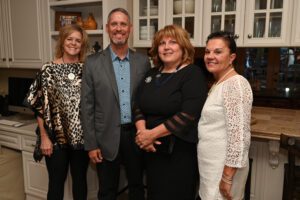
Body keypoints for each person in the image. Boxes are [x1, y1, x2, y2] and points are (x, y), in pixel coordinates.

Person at [80, 8, 151, 200]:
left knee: (137, 186)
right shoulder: (92, 63)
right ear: (106, 28)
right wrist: (91, 144)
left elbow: (147, 101)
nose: (118, 29)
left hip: (136, 135)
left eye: (123, 24)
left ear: (130, 29)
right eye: (114, 24)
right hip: (105, 138)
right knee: (107, 191)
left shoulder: (143, 62)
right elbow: (86, 108)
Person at [134, 24, 208, 200]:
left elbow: (188, 114)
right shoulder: (151, 73)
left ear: (183, 48)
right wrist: (142, 133)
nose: (166, 47)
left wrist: (151, 135)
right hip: (151, 152)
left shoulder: (192, 73)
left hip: (178, 153)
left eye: (173, 42)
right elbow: (137, 105)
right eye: (162, 43)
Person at [26, 24, 90, 200]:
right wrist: (45, 137)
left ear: (82, 45)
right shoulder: (47, 69)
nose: (73, 43)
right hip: (54, 139)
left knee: (80, 183)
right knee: (55, 184)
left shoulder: (87, 69)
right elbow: (39, 106)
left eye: (78, 40)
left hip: (81, 139)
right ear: (62, 41)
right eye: (70, 39)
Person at [197, 31, 253, 200]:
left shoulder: (235, 84)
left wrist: (227, 177)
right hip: (212, 167)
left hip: (223, 170)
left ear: (232, 57)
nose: (210, 56)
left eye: (218, 52)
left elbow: (239, 137)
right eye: (207, 52)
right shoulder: (220, 82)